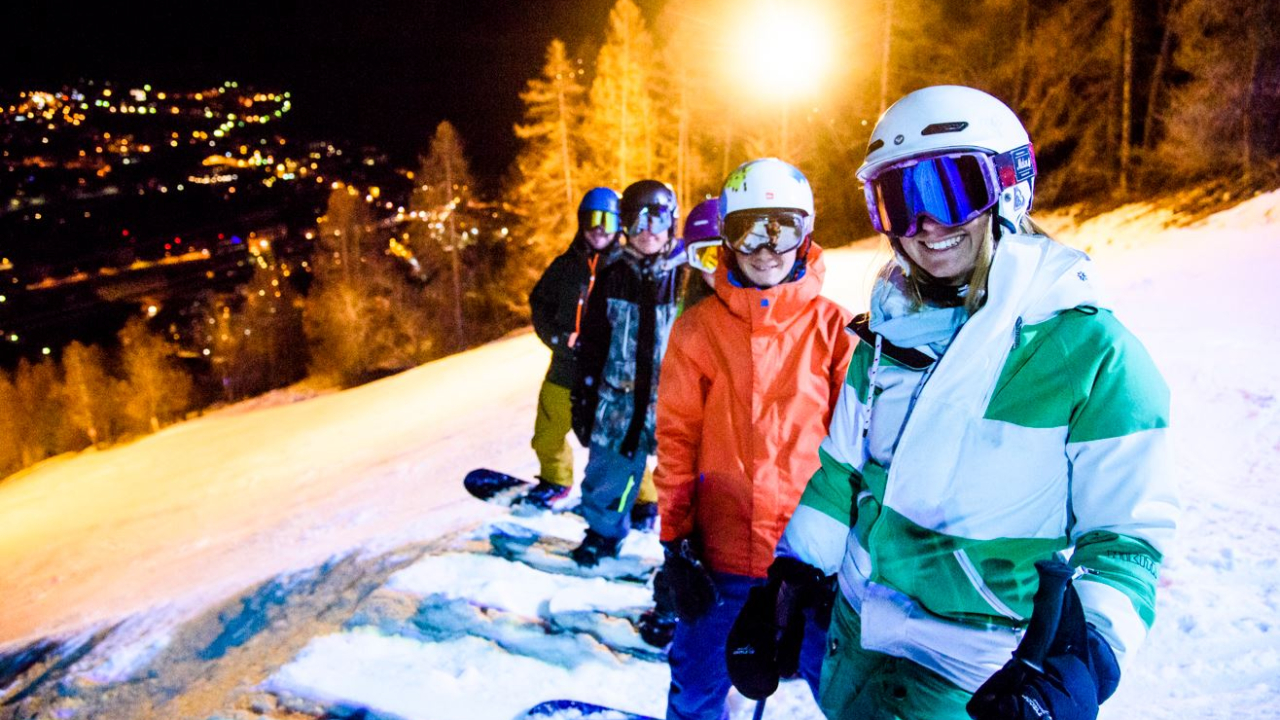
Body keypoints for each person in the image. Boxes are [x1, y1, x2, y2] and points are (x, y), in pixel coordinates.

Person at [761, 86, 1179, 719]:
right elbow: (842, 475)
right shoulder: (885, 335)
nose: (925, 225)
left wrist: (1086, 659)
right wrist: (791, 578)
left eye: (949, 191)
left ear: (1010, 188)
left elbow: (1125, 540)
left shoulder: (1094, 356)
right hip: (854, 647)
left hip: (973, 679)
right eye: (898, 202)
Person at [652, 158, 856, 720]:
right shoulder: (698, 329)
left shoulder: (836, 331)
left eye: (781, 229)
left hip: (812, 565)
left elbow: (863, 453)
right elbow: (676, 441)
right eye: (748, 230)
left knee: (845, 692)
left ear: (805, 234)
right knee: (696, 684)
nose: (765, 249)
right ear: (726, 238)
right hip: (721, 560)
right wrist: (677, 543)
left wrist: (856, 551)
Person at [523, 187, 660, 522]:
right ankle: (556, 479)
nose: (599, 228)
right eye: (592, 219)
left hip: (608, 374)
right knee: (548, 430)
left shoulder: (627, 267)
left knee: (621, 440)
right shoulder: (565, 267)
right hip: (566, 369)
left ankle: (643, 500)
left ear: (619, 224)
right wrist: (558, 337)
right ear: (581, 222)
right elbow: (540, 305)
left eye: (608, 220)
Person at [570, 179, 682, 565]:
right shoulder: (613, 271)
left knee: (686, 478)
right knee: (609, 471)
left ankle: (685, 548)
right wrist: (583, 398)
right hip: (619, 397)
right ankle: (603, 532)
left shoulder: (687, 273)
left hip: (674, 400)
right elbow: (593, 342)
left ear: (673, 223)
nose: (647, 231)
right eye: (636, 221)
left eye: (658, 219)